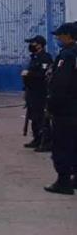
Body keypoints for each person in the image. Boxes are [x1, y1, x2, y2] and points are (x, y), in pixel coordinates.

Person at [44, 23, 77, 195]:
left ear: (68, 36)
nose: (57, 38)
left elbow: (60, 85)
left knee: (62, 145)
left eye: (59, 35)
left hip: (65, 109)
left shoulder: (67, 55)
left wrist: (50, 106)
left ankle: (63, 182)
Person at [22, 35, 53, 149]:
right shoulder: (34, 57)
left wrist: (29, 74)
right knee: (33, 117)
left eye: (33, 43)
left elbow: (44, 75)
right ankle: (37, 139)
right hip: (32, 91)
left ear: (39, 45)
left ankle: (47, 142)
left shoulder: (45, 58)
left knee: (42, 117)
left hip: (41, 92)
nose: (30, 46)